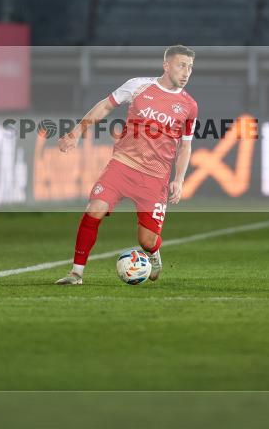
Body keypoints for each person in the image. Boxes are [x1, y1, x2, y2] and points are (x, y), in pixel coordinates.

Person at [54, 45, 198, 285]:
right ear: (166, 65)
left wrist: (179, 179)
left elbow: (185, 146)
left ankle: (154, 254)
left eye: (190, 67)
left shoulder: (189, 105)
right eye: (181, 65)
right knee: (94, 210)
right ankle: (76, 273)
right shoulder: (138, 86)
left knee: (147, 241)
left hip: (155, 178)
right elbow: (105, 105)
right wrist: (77, 131)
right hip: (121, 166)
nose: (186, 72)